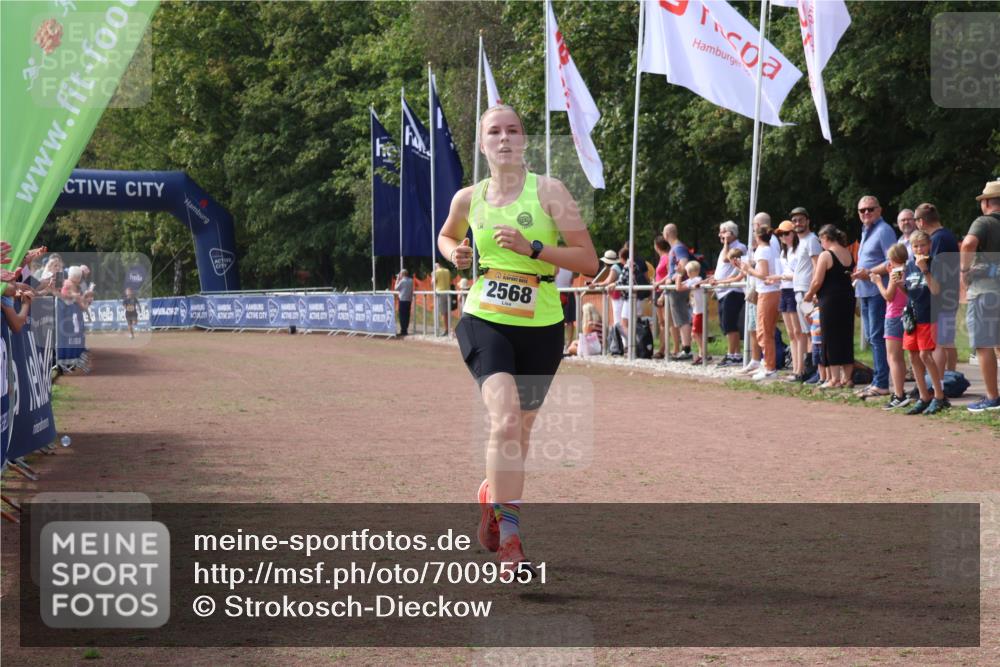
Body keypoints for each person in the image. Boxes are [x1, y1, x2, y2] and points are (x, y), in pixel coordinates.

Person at [437, 104, 599, 574]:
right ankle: (511, 543)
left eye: (512, 130)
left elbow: (588, 261)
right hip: (485, 317)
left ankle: (493, 498)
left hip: (543, 323)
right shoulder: (469, 198)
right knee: (505, 420)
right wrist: (457, 254)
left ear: (524, 140)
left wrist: (533, 248)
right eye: (494, 131)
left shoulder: (551, 192)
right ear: (483, 143)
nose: (504, 138)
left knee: (519, 434)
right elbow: (446, 238)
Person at [850, 196, 896, 398]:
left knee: (877, 338)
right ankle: (878, 380)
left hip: (878, 291)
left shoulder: (884, 230)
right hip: (866, 291)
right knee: (872, 337)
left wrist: (867, 272)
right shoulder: (867, 230)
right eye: (862, 210)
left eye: (870, 209)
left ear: (879, 210)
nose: (866, 213)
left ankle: (881, 382)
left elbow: (892, 260)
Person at [961, 180, 1000, 412]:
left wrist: (965, 271)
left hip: (985, 292)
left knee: (984, 345)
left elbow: (968, 244)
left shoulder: (984, 222)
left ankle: (992, 397)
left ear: (985, 202)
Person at [899, 230, 947, 415]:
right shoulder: (909, 265)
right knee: (913, 356)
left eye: (922, 245)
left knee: (926, 355)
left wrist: (924, 270)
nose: (919, 249)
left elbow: (936, 291)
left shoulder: (935, 264)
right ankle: (924, 397)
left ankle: (939, 396)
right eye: (915, 246)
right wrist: (900, 286)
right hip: (913, 316)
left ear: (930, 246)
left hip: (929, 315)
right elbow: (912, 294)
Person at [804, 225, 856, 388]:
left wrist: (809, 294)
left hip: (830, 300)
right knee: (846, 337)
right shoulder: (848, 252)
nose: (821, 244)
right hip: (847, 299)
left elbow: (817, 281)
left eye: (821, 241)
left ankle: (834, 379)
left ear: (825, 237)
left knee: (830, 338)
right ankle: (848, 378)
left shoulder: (826, 255)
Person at [914, 203, 961, 375]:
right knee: (947, 341)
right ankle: (950, 377)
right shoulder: (947, 235)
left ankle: (939, 382)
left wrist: (922, 268)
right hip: (950, 294)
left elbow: (936, 271)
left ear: (921, 221)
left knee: (938, 343)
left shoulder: (937, 239)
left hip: (940, 296)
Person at [735, 226, 780, 381]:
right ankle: (768, 365)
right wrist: (746, 268)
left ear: (757, 236)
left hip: (767, 293)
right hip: (772, 292)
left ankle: (769, 367)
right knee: (767, 331)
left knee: (763, 331)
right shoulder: (770, 249)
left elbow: (763, 275)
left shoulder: (762, 250)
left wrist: (748, 268)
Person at [873, 244, 912, 410]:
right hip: (904, 315)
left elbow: (888, 296)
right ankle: (900, 391)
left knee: (893, 357)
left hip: (894, 316)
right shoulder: (908, 269)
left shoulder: (896, 272)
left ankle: (899, 394)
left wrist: (878, 282)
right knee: (900, 357)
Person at [706, 221, 747, 367]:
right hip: (723, 291)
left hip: (732, 290)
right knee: (726, 324)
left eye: (723, 232)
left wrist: (726, 242)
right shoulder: (726, 248)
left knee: (730, 324)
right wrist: (715, 279)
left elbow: (725, 258)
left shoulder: (739, 247)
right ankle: (733, 353)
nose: (720, 235)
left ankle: (733, 355)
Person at [788, 207, 822, 379]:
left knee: (812, 331)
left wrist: (813, 290)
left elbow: (817, 266)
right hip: (799, 290)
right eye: (794, 221)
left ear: (807, 221)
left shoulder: (811, 240)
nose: (797, 223)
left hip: (807, 290)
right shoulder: (800, 241)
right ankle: (808, 369)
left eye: (801, 220)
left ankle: (815, 370)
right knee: (807, 331)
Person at [769, 220, 805, 381]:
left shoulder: (798, 250)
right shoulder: (784, 252)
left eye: (786, 233)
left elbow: (799, 273)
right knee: (791, 333)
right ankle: (796, 369)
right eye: (780, 234)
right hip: (784, 289)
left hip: (794, 289)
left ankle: (800, 369)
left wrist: (781, 276)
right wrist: (775, 279)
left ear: (793, 233)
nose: (783, 237)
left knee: (798, 332)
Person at [662, 223, 692, 360]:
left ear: (666, 234)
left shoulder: (678, 248)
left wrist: (673, 278)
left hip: (679, 287)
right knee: (679, 319)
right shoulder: (675, 248)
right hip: (675, 287)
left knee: (681, 317)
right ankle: (685, 348)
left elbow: (684, 264)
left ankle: (686, 349)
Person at [675, 260, 708, 364]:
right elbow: (678, 286)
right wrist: (679, 275)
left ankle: (703, 353)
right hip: (696, 310)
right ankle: (702, 354)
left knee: (695, 334)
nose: (687, 274)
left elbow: (678, 287)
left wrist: (679, 275)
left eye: (688, 272)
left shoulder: (696, 280)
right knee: (697, 334)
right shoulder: (692, 280)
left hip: (699, 311)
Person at [590, 249, 623, 330]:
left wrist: (595, 284)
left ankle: (620, 340)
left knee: (618, 320)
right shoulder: (619, 266)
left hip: (618, 296)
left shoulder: (614, 267)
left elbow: (608, 281)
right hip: (620, 296)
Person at [650, 235, 671, 359]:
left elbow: (670, 274)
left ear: (657, 246)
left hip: (663, 291)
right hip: (658, 290)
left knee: (665, 322)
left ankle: (664, 349)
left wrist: (659, 285)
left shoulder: (667, 257)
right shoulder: (662, 258)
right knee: (661, 322)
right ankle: (663, 348)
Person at [555, 267, 576, 351]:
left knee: (568, 321)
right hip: (562, 292)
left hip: (564, 292)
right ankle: (566, 344)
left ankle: (568, 344)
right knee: (565, 321)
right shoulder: (568, 262)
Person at [433, 261, 452, 336]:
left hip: (440, 292)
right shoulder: (447, 271)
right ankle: (448, 328)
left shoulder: (436, 272)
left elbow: (433, 282)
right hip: (448, 292)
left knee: (443, 312)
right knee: (447, 312)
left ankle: (446, 329)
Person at [395, 269, 413, 336]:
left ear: (402, 274)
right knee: (407, 315)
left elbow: (396, 288)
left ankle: (403, 330)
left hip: (402, 300)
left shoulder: (402, 281)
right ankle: (405, 329)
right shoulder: (411, 280)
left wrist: (397, 279)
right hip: (408, 300)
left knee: (402, 315)